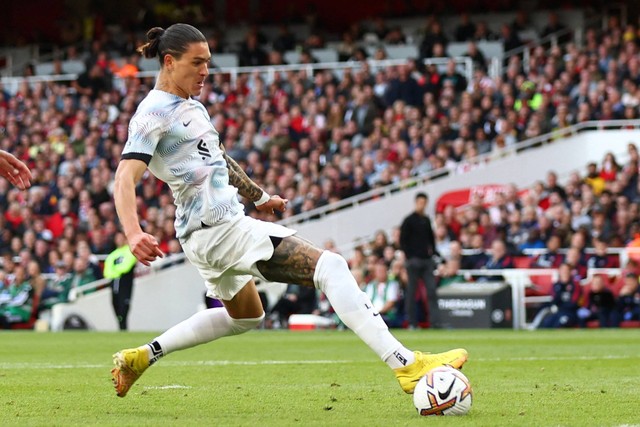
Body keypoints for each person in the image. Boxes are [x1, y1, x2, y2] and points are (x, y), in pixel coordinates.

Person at [110, 24, 467, 398]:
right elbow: (124, 176)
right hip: (219, 229)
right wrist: (133, 232)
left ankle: (143, 356)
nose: (205, 72)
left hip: (205, 233)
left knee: (247, 316)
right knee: (331, 267)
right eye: (197, 63)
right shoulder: (152, 114)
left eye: (208, 63)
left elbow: (220, 160)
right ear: (169, 62)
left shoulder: (191, 107)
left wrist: (261, 197)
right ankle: (406, 365)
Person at [399, 192, 440, 329]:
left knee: (431, 291)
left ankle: (434, 322)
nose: (422, 205)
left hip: (426, 261)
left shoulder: (426, 220)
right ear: (416, 202)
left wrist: (433, 253)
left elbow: (431, 239)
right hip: (414, 261)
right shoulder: (409, 220)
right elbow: (403, 241)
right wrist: (410, 257)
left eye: (424, 203)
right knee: (411, 292)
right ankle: (411, 322)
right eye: (420, 202)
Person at [103, 232, 138, 330]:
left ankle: (124, 327)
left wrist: (115, 271)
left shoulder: (129, 251)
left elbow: (127, 266)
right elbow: (107, 271)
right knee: (115, 304)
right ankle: (121, 327)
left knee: (124, 306)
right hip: (114, 283)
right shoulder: (112, 255)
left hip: (125, 283)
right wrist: (116, 272)